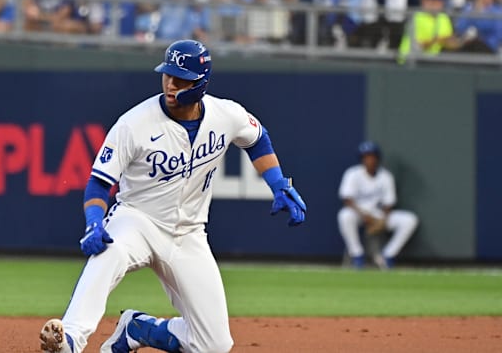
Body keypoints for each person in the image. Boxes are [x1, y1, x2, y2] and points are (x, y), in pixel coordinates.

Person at [39, 39, 307, 353]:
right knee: (107, 253)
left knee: (215, 345)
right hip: (137, 220)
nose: (170, 83)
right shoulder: (133, 124)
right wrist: (94, 222)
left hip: (189, 234)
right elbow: (99, 184)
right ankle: (69, 338)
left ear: (200, 84)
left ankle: (138, 328)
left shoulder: (225, 115)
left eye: (180, 79)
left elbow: (258, 138)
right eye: (167, 74)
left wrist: (279, 183)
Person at [337, 141, 418, 270]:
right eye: (366, 156)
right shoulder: (353, 174)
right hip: (358, 212)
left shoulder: (385, 176)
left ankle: (387, 255)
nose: (369, 160)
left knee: (409, 220)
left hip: (378, 214)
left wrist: (382, 220)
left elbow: (389, 203)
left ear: (377, 158)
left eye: (372, 156)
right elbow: (347, 199)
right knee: (345, 215)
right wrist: (364, 216)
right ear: (362, 159)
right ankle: (357, 255)